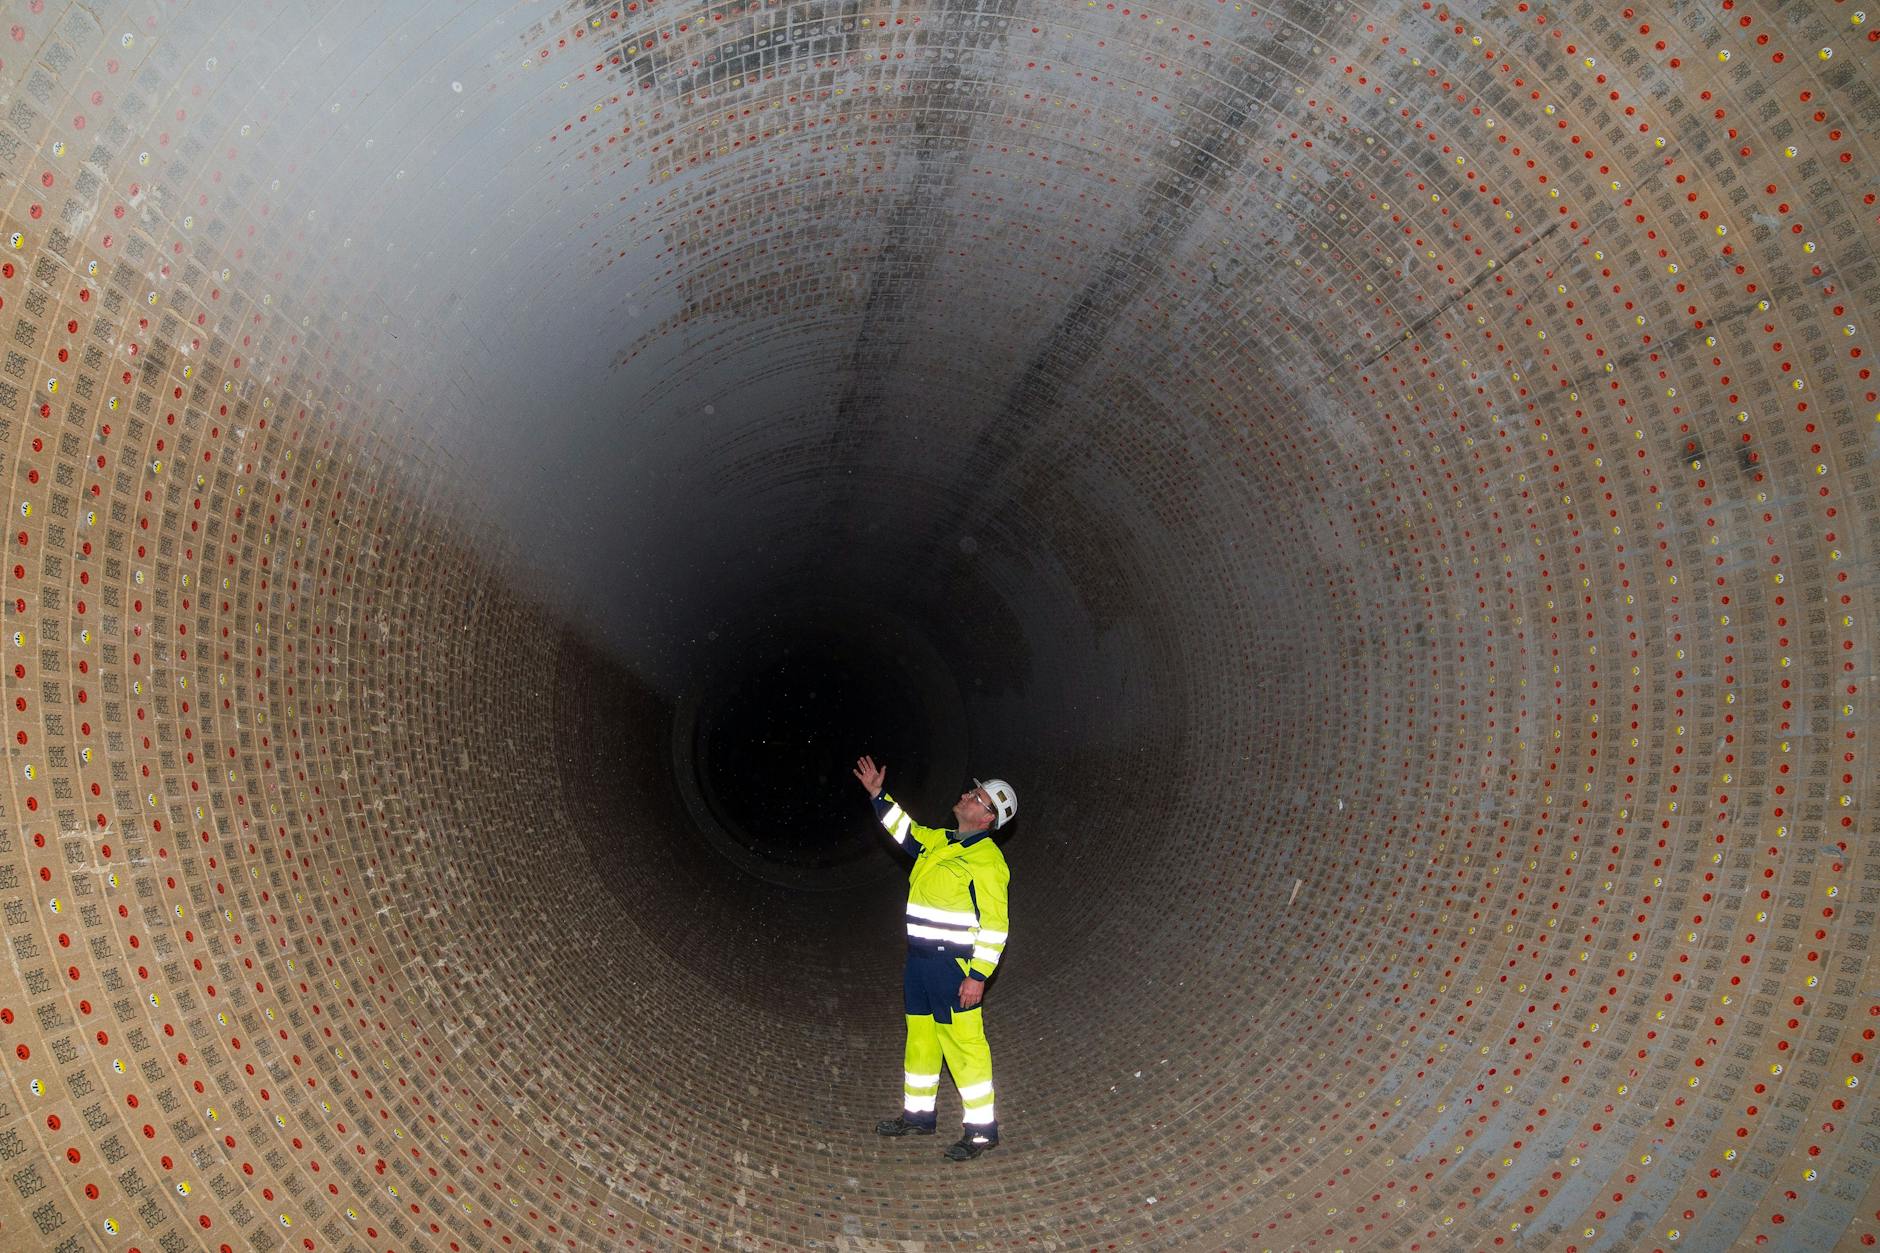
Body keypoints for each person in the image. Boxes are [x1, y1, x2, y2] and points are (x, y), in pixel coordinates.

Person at [853, 755, 1017, 1161]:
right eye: (972, 791)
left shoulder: (988, 861)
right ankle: (919, 1116)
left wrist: (978, 975)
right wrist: (878, 795)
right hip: (920, 963)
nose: (966, 796)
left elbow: (996, 925)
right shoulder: (941, 840)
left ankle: (981, 1132)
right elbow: (905, 831)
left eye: (976, 797)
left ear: (988, 818)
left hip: (952, 967)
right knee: (921, 1042)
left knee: (965, 1048)